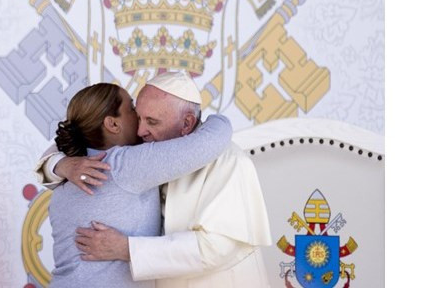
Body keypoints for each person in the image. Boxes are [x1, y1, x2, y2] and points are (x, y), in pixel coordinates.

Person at [36, 72, 272, 288]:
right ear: (111, 124)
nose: (140, 131)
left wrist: (127, 249)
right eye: (137, 116)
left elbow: (216, 248)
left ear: (187, 123)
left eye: (152, 121)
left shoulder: (227, 160)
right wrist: (58, 164)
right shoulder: (133, 158)